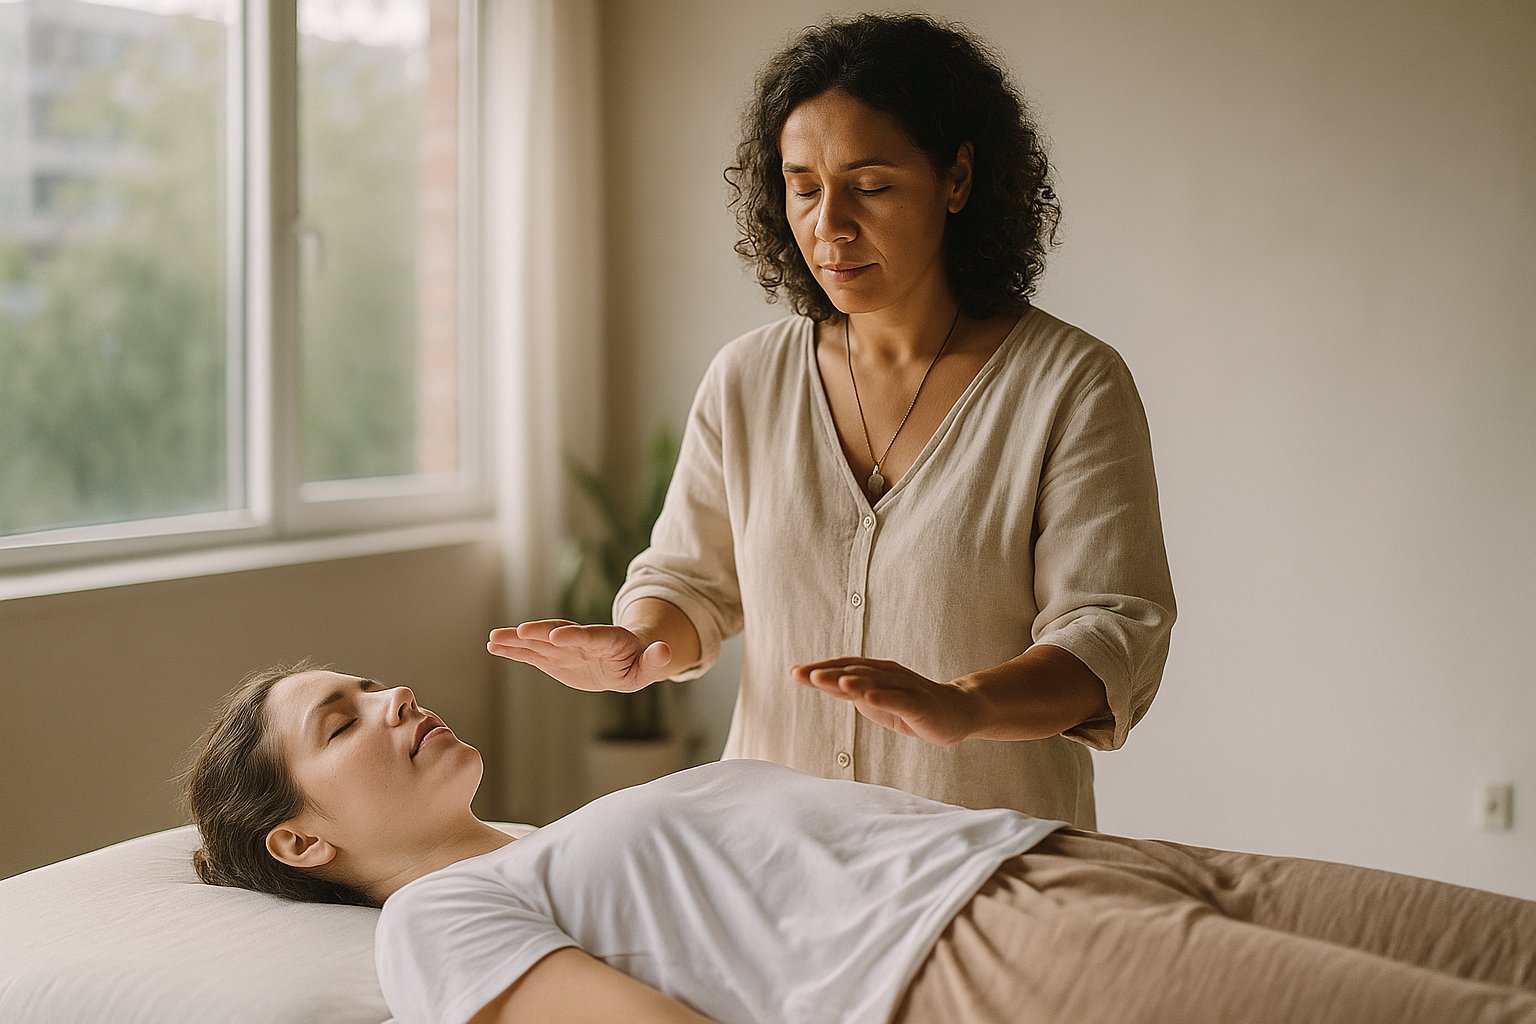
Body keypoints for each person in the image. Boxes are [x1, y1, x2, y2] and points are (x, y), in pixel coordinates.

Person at [488, 12, 1176, 827]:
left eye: (872, 186)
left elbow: (1111, 634)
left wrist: (965, 706)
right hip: (774, 859)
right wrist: (638, 646)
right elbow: (690, 581)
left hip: (985, 857)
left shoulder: (1070, 384)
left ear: (957, 179)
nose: (830, 226)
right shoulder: (747, 377)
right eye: (804, 187)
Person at [184, 665, 1536, 1024]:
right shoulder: (439, 926)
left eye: (372, 682)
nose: (392, 698)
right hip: (985, 955)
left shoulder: (542, 842)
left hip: (1060, 859)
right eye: (342, 719)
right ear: (300, 839)